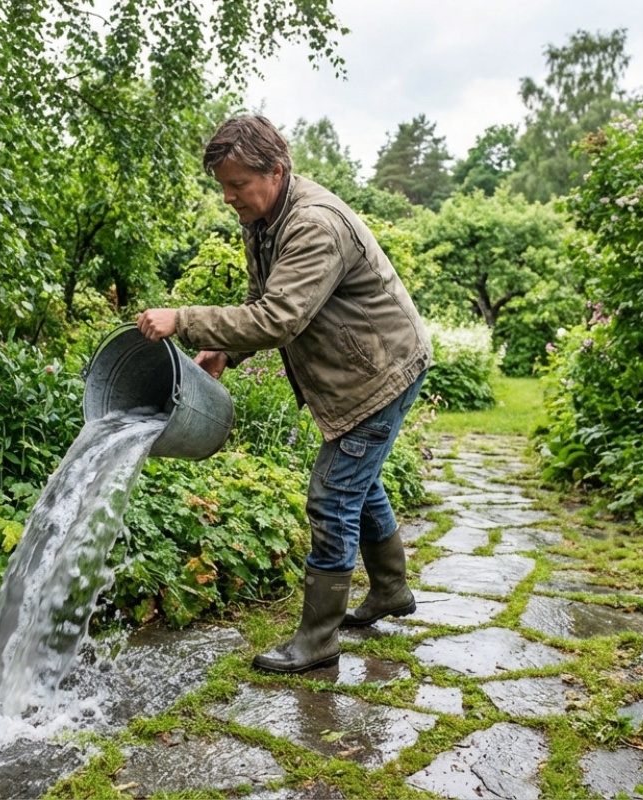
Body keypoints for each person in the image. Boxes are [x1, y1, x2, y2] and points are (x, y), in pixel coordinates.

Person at [136, 114, 431, 674]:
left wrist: (184, 319)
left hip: (380, 370)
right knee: (357, 484)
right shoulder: (264, 217)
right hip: (358, 365)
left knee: (332, 496)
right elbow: (263, 298)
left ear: (275, 170)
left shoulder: (313, 225)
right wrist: (227, 351)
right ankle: (391, 590)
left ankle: (318, 640)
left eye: (237, 184)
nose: (229, 197)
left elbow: (278, 317)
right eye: (223, 185)